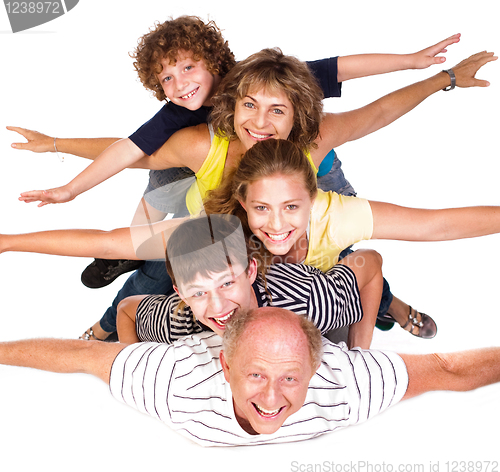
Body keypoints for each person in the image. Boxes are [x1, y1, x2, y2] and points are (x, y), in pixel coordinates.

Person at [6, 47, 496, 341]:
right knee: (152, 274)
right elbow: (129, 159)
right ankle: (106, 326)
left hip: (306, 254)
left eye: (276, 111)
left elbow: (432, 216)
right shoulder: (210, 186)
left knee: (348, 269)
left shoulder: (324, 197)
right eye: (249, 106)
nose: (260, 122)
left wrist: (440, 77)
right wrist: (52, 150)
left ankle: (388, 306)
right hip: (219, 250)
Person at [1, 306, 499, 447]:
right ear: (225, 366)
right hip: (179, 321)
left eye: (290, 378)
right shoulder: (175, 383)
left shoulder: (345, 383)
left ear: (316, 368)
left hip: (305, 300)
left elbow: (447, 368)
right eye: (257, 375)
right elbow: (80, 355)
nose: (271, 398)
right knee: (133, 309)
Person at [201, 138, 500, 336]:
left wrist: (362, 356)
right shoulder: (223, 231)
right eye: (262, 208)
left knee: (361, 275)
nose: (277, 224)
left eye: (291, 206)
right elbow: (159, 241)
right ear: (244, 203)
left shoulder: (335, 216)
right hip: (289, 299)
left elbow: (437, 225)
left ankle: (391, 305)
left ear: (312, 198)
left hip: (332, 279)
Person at [115, 214, 381, 349]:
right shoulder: (180, 322)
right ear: (180, 295)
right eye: (198, 293)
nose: (217, 306)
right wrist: (137, 364)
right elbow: (127, 309)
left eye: (226, 283)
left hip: (315, 302)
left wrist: (361, 355)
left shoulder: (309, 304)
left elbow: (370, 261)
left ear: (250, 271)